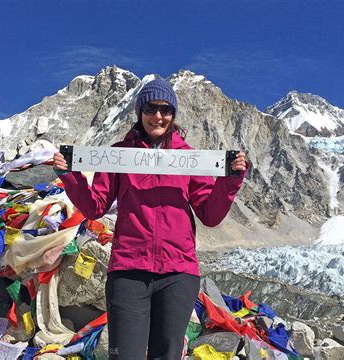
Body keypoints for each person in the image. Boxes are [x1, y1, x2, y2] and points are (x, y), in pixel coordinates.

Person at [53, 79, 247, 359]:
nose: (158, 116)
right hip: (129, 270)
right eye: (151, 108)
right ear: (140, 112)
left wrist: (230, 181)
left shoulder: (190, 159)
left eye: (165, 109)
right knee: (124, 355)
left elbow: (210, 215)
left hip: (178, 273)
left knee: (166, 355)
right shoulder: (120, 154)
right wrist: (70, 177)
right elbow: (95, 207)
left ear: (173, 115)